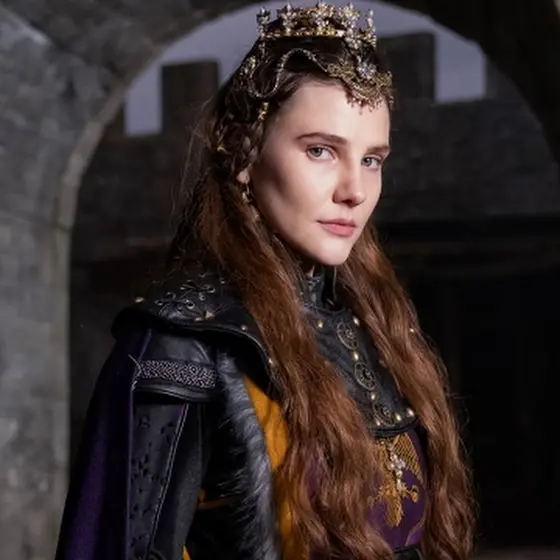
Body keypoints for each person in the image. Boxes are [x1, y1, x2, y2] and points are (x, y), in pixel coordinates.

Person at [55, 3, 474, 560]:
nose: (354, 190)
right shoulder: (183, 345)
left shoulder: (379, 331)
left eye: (372, 160)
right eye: (321, 150)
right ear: (245, 153)